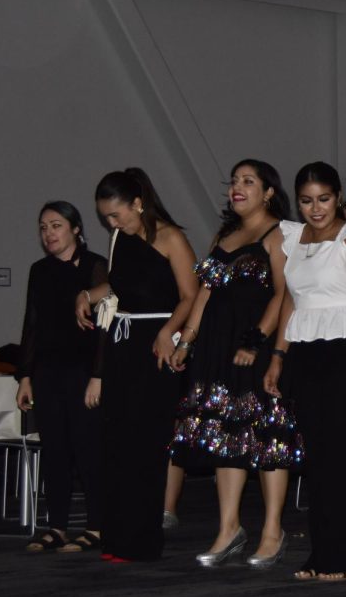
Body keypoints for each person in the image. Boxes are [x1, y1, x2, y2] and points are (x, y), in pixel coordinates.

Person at [169, 159, 300, 568]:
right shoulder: (226, 234)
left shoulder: (279, 233)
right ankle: (229, 529)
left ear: (268, 192)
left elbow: (284, 293)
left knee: (266, 437)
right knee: (226, 435)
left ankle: (272, 531)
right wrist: (186, 340)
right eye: (234, 182)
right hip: (215, 348)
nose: (237, 188)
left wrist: (256, 340)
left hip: (254, 346)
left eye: (248, 181)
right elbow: (205, 293)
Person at [263, 162, 346, 581]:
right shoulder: (292, 238)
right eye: (307, 201)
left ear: (337, 196)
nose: (316, 208)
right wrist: (278, 356)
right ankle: (322, 554)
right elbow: (290, 300)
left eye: (325, 199)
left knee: (339, 456)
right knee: (315, 458)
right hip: (305, 353)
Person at [77, 168, 199, 562]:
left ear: (137, 203)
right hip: (122, 345)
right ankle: (117, 537)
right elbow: (117, 286)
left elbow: (190, 295)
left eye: (117, 215)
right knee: (117, 442)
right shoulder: (119, 239)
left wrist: (169, 332)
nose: (112, 224)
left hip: (156, 347)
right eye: (106, 218)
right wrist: (88, 293)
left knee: (146, 444)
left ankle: (142, 540)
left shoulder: (171, 237)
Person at [17, 201, 107, 553]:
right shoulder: (39, 270)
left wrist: (98, 375)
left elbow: (105, 327)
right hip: (48, 371)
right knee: (53, 449)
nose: (48, 233)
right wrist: (24, 375)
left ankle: (97, 526)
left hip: (84, 372)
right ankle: (56, 526)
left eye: (56, 225)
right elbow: (32, 324)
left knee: (88, 449)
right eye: (43, 227)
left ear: (75, 229)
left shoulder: (96, 266)